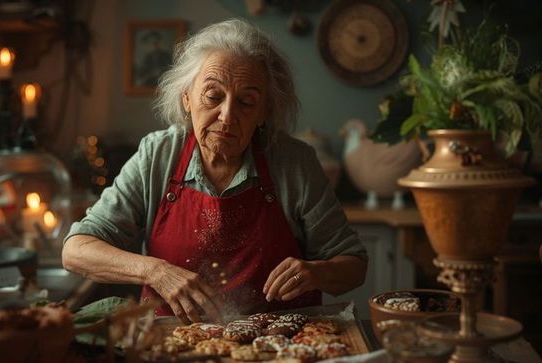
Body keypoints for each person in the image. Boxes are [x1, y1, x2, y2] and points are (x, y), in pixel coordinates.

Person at [62, 19, 367, 324]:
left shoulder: (294, 162)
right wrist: (155, 271)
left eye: (247, 102)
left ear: (264, 113)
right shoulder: (158, 155)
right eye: (213, 96)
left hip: (281, 344)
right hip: (174, 342)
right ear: (187, 98)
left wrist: (318, 272)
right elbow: (76, 250)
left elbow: (354, 265)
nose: (228, 115)